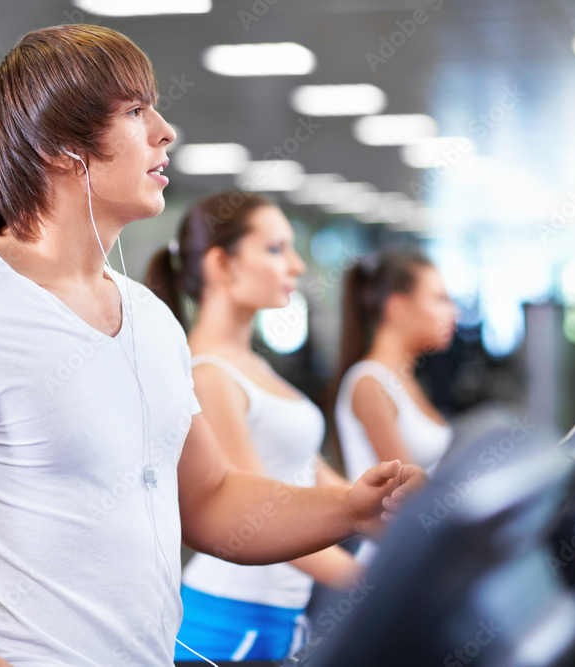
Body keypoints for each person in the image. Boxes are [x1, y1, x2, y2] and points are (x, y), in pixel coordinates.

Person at [0, 25, 425, 667]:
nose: (165, 130)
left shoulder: (151, 318)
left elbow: (211, 501)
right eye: (134, 112)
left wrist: (351, 507)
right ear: (59, 147)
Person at [145, 192, 361, 662]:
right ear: (223, 265)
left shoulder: (250, 364)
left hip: (277, 614)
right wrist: (372, 586)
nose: (297, 266)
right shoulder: (208, 373)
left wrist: (396, 519)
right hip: (229, 620)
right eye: (276, 249)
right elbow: (260, 515)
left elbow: (307, 474)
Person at [332, 248, 455, 567]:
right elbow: (409, 494)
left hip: (426, 554)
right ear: (399, 307)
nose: (451, 312)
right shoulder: (370, 384)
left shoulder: (406, 381)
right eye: (440, 299)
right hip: (392, 563)